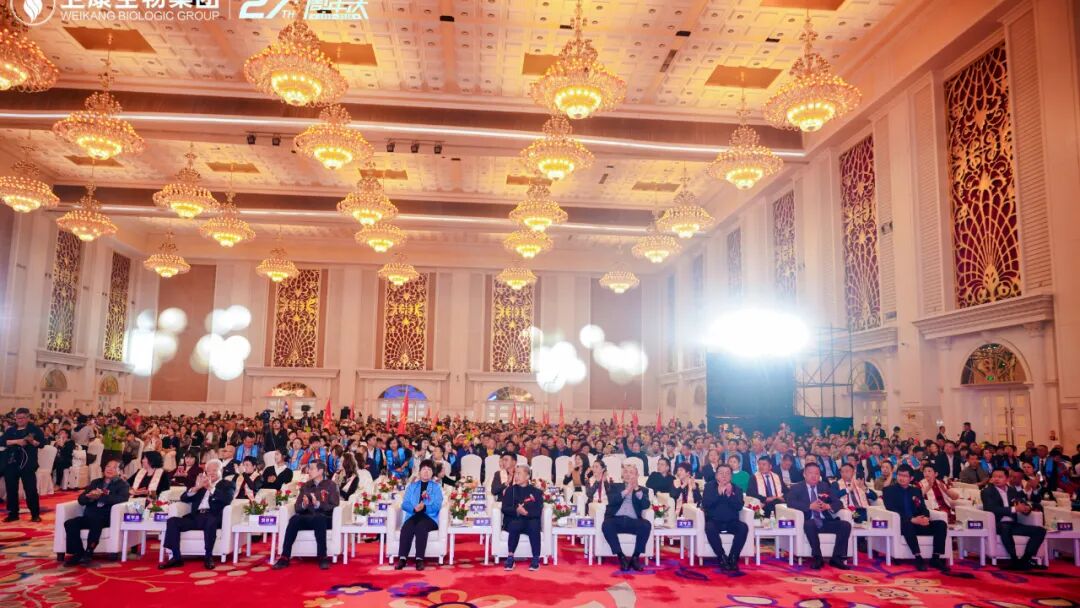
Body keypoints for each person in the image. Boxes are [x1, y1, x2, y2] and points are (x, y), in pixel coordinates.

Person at [160, 459, 235, 570]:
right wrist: (197, 487)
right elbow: (183, 498)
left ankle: (208, 556)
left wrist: (211, 487)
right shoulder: (201, 485)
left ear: (221, 471)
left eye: (215, 470)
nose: (211, 473)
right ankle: (176, 557)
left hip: (213, 516)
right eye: (209, 471)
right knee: (172, 521)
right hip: (196, 517)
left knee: (210, 520)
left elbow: (226, 499)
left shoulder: (227, 484)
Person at [62, 458, 130, 566]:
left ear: (120, 471)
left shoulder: (122, 485)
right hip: (90, 516)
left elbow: (121, 499)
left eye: (114, 467)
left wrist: (101, 496)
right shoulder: (96, 482)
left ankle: (89, 552)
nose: (110, 469)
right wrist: (90, 497)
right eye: (108, 466)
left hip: (107, 517)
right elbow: (81, 500)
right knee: (70, 523)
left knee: (96, 521)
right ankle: (78, 553)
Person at [784, 462, 851, 570]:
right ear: (804, 474)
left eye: (816, 473)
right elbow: (790, 502)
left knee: (845, 525)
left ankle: (836, 558)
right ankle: (817, 557)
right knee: (810, 524)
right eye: (811, 473)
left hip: (824, 521)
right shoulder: (797, 487)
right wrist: (809, 506)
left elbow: (838, 502)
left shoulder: (824, 486)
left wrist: (827, 506)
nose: (814, 476)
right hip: (808, 522)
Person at [275, 461, 340, 570]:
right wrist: (304, 505)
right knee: (294, 519)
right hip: (308, 516)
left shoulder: (331, 485)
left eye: (312, 468)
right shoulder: (306, 486)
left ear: (320, 471)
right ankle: (284, 557)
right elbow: (297, 507)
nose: (309, 471)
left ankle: (322, 557)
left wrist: (318, 504)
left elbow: (334, 506)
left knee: (319, 519)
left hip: (325, 517)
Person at [883, 465, 949, 572]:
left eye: (905, 476)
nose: (901, 478)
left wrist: (925, 518)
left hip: (918, 523)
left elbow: (923, 508)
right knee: (907, 524)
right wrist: (911, 519)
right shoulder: (888, 491)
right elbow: (891, 509)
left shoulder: (916, 491)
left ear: (911, 478)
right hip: (901, 524)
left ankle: (936, 558)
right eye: (899, 475)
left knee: (941, 524)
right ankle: (918, 557)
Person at [980, 468, 1046, 571]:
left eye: (1000, 477)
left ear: (1007, 479)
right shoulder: (987, 491)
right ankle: (1014, 559)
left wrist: (1026, 508)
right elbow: (991, 509)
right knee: (1005, 527)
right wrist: (1014, 509)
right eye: (994, 477)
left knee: (1040, 530)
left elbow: (1022, 503)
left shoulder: (1012, 490)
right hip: (996, 524)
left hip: (1012, 524)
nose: (996, 479)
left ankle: (1025, 560)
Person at [600, 463, 652, 572]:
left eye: (631, 472)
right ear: (622, 475)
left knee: (646, 525)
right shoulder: (615, 486)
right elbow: (612, 500)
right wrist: (626, 491)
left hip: (633, 521)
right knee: (606, 525)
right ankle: (621, 556)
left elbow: (645, 505)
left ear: (637, 476)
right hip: (616, 520)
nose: (628, 474)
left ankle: (635, 557)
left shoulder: (643, 490)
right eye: (625, 472)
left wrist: (636, 489)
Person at [394, 460, 443, 571]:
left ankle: (419, 559)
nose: (426, 472)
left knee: (421, 526)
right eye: (424, 469)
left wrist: (424, 507)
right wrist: (414, 509)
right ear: (419, 472)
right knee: (407, 526)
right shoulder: (412, 487)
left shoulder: (436, 488)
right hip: (413, 514)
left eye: (429, 469)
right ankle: (402, 558)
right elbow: (405, 504)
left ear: (432, 473)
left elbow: (437, 505)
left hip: (429, 517)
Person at [701, 464, 749, 572]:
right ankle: (722, 557)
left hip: (731, 522)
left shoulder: (737, 489)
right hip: (714, 521)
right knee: (709, 527)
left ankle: (733, 558)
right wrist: (718, 493)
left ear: (731, 476)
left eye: (727, 473)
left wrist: (729, 495)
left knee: (743, 527)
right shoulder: (709, 487)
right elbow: (705, 504)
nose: (724, 476)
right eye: (721, 473)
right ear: (716, 475)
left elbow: (739, 506)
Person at [2, 408, 46, 522]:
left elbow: (42, 444)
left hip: (28, 463)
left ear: (28, 418)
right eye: (17, 418)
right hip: (11, 462)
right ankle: (13, 514)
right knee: (11, 489)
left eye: (22, 418)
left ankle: (35, 514)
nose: (19, 420)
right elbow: (2, 441)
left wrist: (32, 441)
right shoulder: (11, 430)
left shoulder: (34, 429)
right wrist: (16, 441)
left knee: (30, 489)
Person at [501, 464, 544, 571]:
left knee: (534, 524)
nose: (516, 476)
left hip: (530, 519)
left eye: (519, 473)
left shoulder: (536, 492)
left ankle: (535, 559)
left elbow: (538, 511)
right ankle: (510, 558)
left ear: (527, 476)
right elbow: (504, 508)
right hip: (515, 519)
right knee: (515, 525)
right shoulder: (510, 490)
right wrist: (516, 510)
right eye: (515, 473)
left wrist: (526, 513)